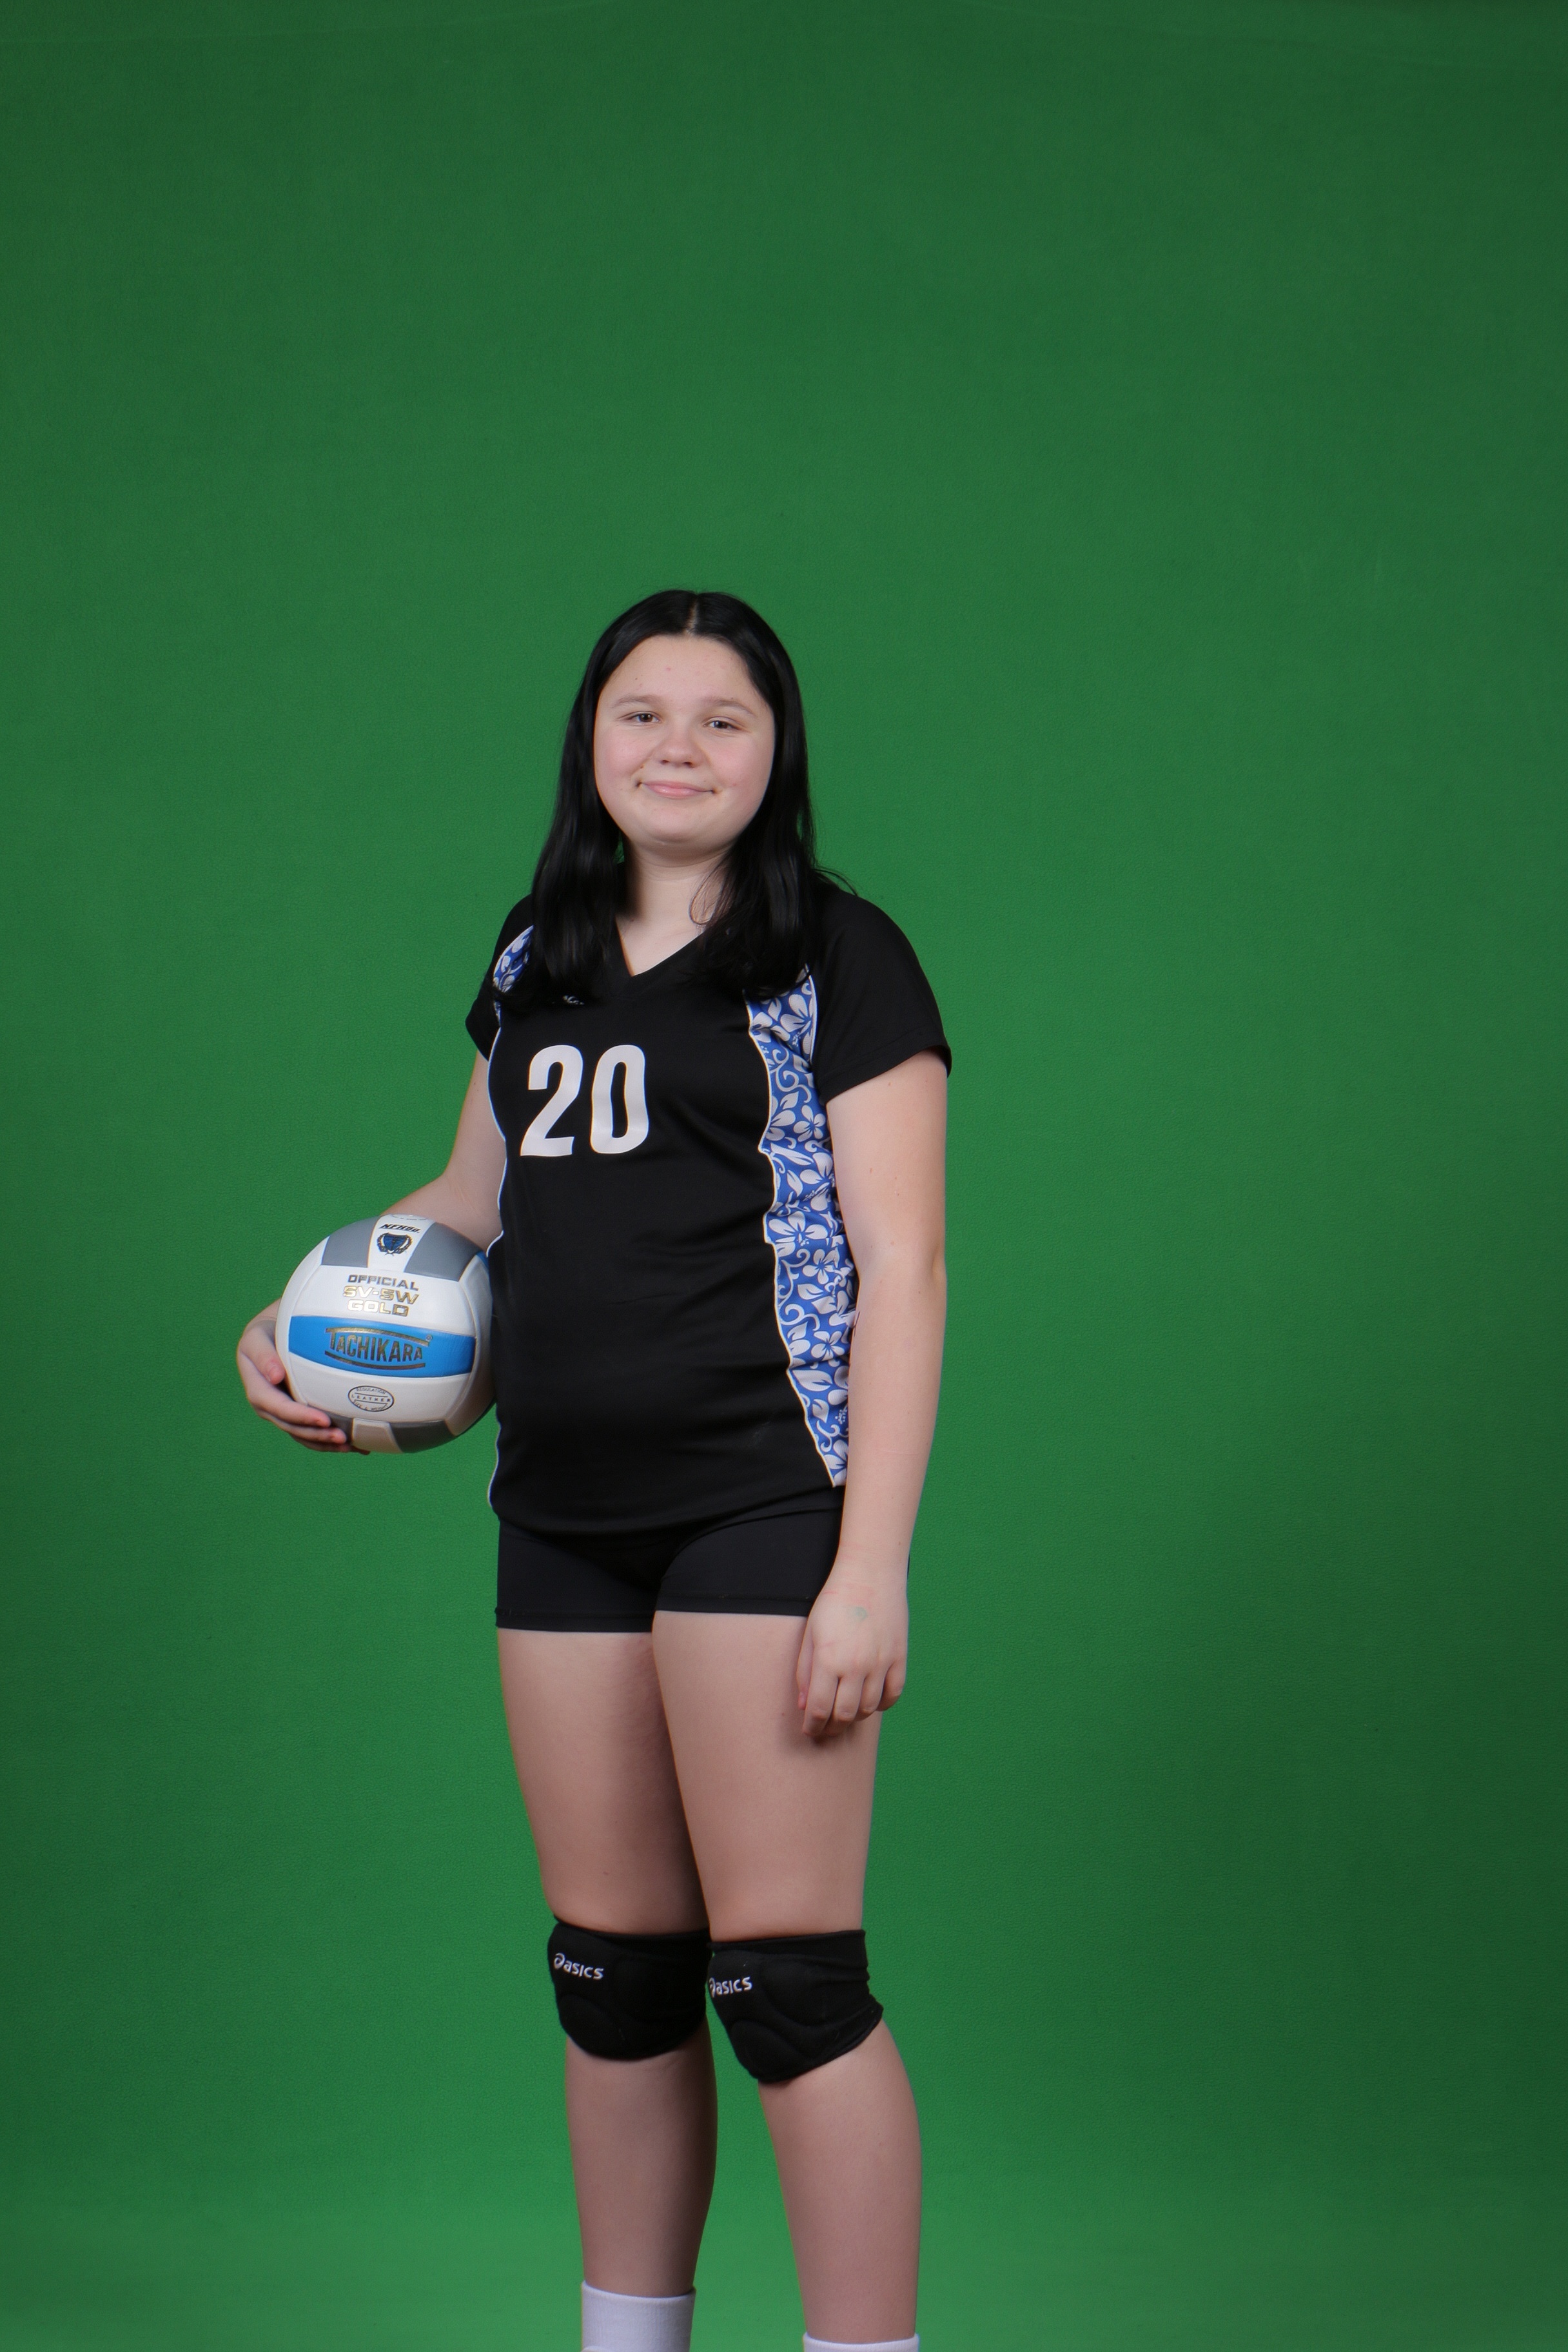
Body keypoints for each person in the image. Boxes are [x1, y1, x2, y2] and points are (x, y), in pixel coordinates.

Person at [236, 591, 949, 2352]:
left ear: (777, 752)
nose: (678, 748)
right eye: (644, 713)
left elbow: (906, 1265)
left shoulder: (838, 954)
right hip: (557, 1511)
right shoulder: (533, 953)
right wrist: (311, 1315)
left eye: (724, 718)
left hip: (761, 1498)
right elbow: (472, 1203)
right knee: (615, 1980)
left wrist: (870, 1566)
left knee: (786, 1985)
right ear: (592, 742)